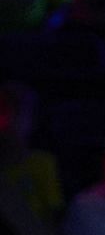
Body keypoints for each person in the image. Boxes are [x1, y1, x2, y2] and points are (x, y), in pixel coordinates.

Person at [0, 79, 60, 220]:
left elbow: (52, 217)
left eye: (19, 112)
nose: (9, 120)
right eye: (4, 111)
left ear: (33, 120)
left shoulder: (43, 163)